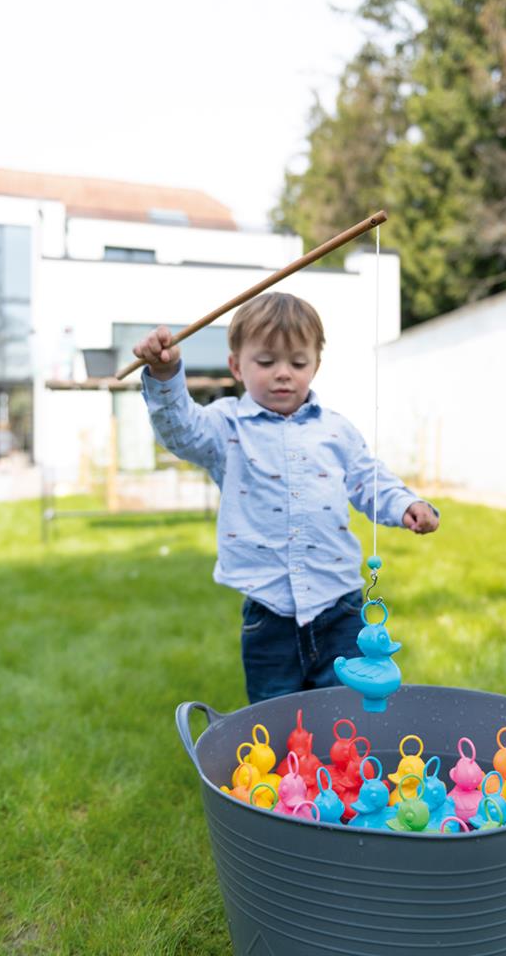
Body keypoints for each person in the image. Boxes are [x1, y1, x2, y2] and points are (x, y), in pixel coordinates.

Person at [135, 292, 439, 703]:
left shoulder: (336, 430)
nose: (283, 374)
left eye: (298, 363)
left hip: (341, 608)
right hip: (269, 613)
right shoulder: (225, 427)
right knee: (273, 718)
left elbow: (368, 479)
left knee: (345, 714)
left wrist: (405, 504)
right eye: (266, 362)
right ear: (236, 366)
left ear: (315, 365)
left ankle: (342, 771)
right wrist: (165, 373)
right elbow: (180, 430)